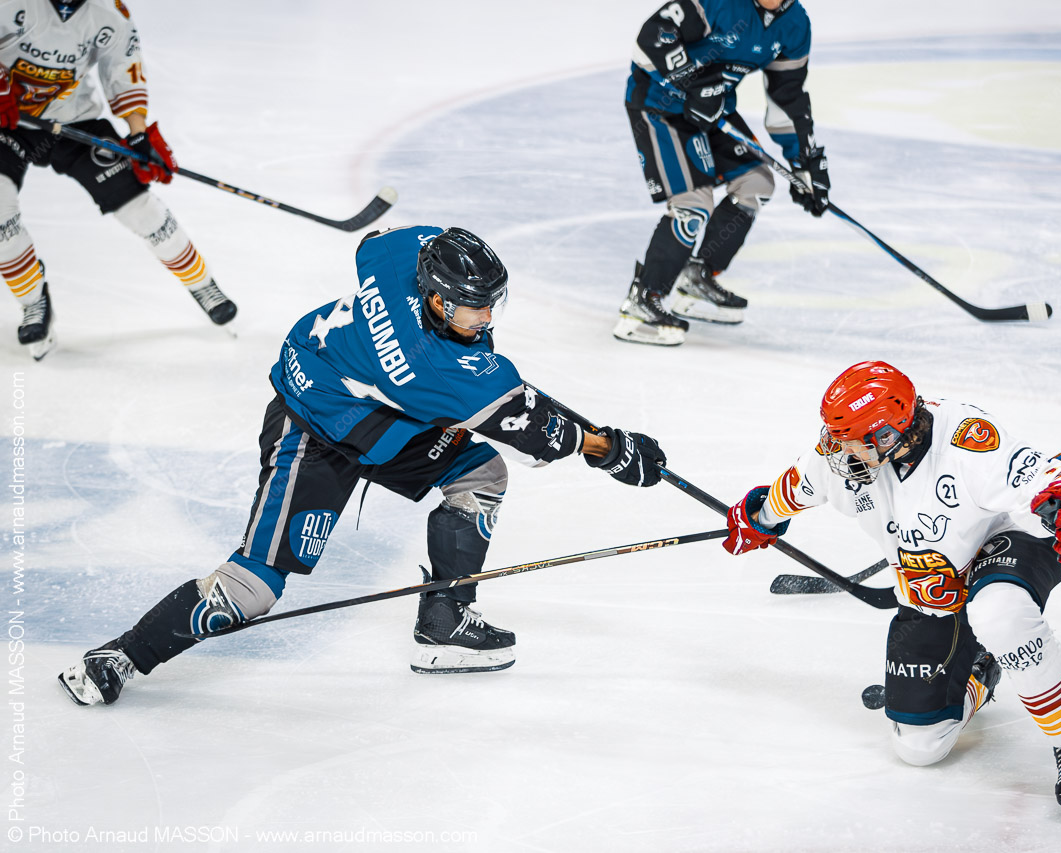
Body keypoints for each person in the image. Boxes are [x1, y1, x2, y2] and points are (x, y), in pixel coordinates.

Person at [57, 225, 666, 705]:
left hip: (369, 401)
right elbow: (541, 432)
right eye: (473, 308)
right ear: (436, 299)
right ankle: (122, 655)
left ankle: (444, 623)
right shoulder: (438, 368)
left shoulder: (409, 256)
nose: (486, 319)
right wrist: (612, 451)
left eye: (491, 304)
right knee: (254, 588)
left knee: (479, 474)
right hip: (312, 424)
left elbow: (370, 243)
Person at [722, 362, 1061, 824]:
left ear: (888, 434)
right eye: (837, 440)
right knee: (921, 747)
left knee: (998, 614)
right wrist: (758, 518)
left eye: (853, 443)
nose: (841, 454)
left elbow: (1060, 481)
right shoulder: (845, 453)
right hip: (933, 588)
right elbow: (795, 487)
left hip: (1006, 543)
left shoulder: (968, 441)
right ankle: (981, 672)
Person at [0, 0, 236, 360]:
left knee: (139, 207)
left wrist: (139, 135)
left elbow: (123, 67)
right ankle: (34, 300)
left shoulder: (108, 12)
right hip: (9, 123)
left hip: (74, 121)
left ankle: (202, 283)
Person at [614, 0, 829, 346]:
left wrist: (805, 162)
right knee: (692, 205)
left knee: (756, 182)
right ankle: (643, 300)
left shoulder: (795, 24)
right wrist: (691, 82)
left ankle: (697, 277)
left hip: (714, 110)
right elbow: (652, 37)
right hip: (660, 104)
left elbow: (787, 98)